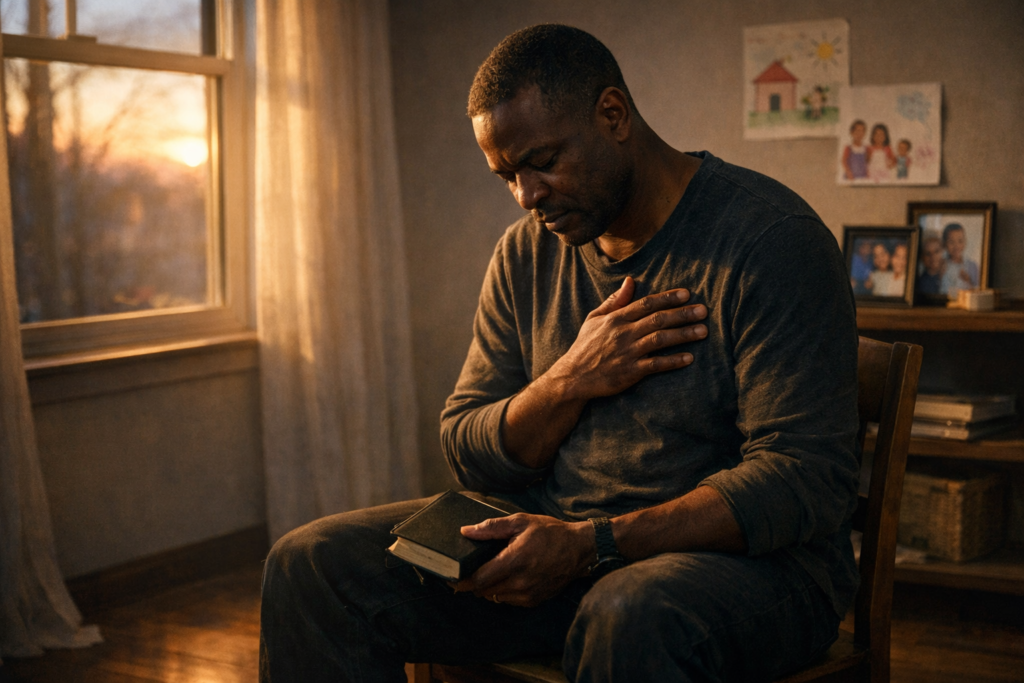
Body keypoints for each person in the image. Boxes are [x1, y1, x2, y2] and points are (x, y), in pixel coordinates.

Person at [259, 24, 860, 683]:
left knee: (630, 609)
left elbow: (805, 478)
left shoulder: (772, 241)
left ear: (613, 114)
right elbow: (465, 443)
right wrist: (569, 379)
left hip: (751, 573)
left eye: (543, 161)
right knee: (308, 562)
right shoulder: (526, 254)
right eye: (506, 175)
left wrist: (591, 544)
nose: (526, 195)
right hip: (560, 553)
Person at [940, 222, 980, 298]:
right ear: (944, 244)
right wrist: (940, 276)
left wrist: (969, 281)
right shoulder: (941, 264)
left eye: (960, 241)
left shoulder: (972, 266)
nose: (956, 246)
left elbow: (978, 292)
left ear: (965, 242)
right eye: (951, 242)